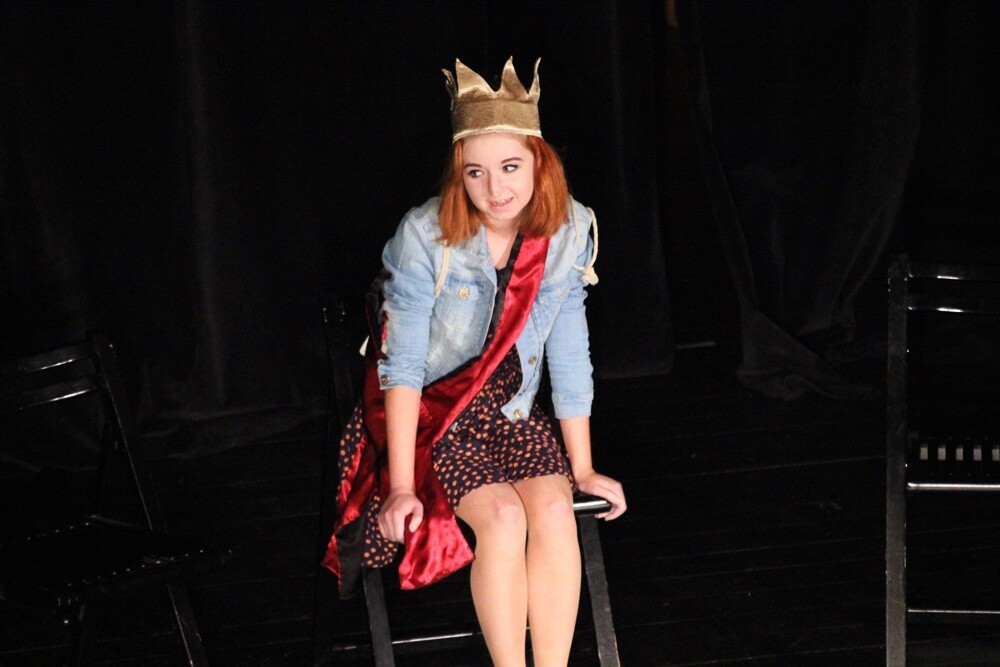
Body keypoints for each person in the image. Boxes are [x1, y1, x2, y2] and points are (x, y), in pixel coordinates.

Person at [324, 57, 626, 667]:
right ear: (458, 175)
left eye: (510, 167)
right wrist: (401, 486)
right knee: (505, 518)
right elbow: (402, 367)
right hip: (435, 416)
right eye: (476, 173)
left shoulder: (569, 228)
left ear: (539, 163)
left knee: (553, 509)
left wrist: (584, 467)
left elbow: (570, 349)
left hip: (510, 409)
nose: (495, 189)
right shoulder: (425, 235)